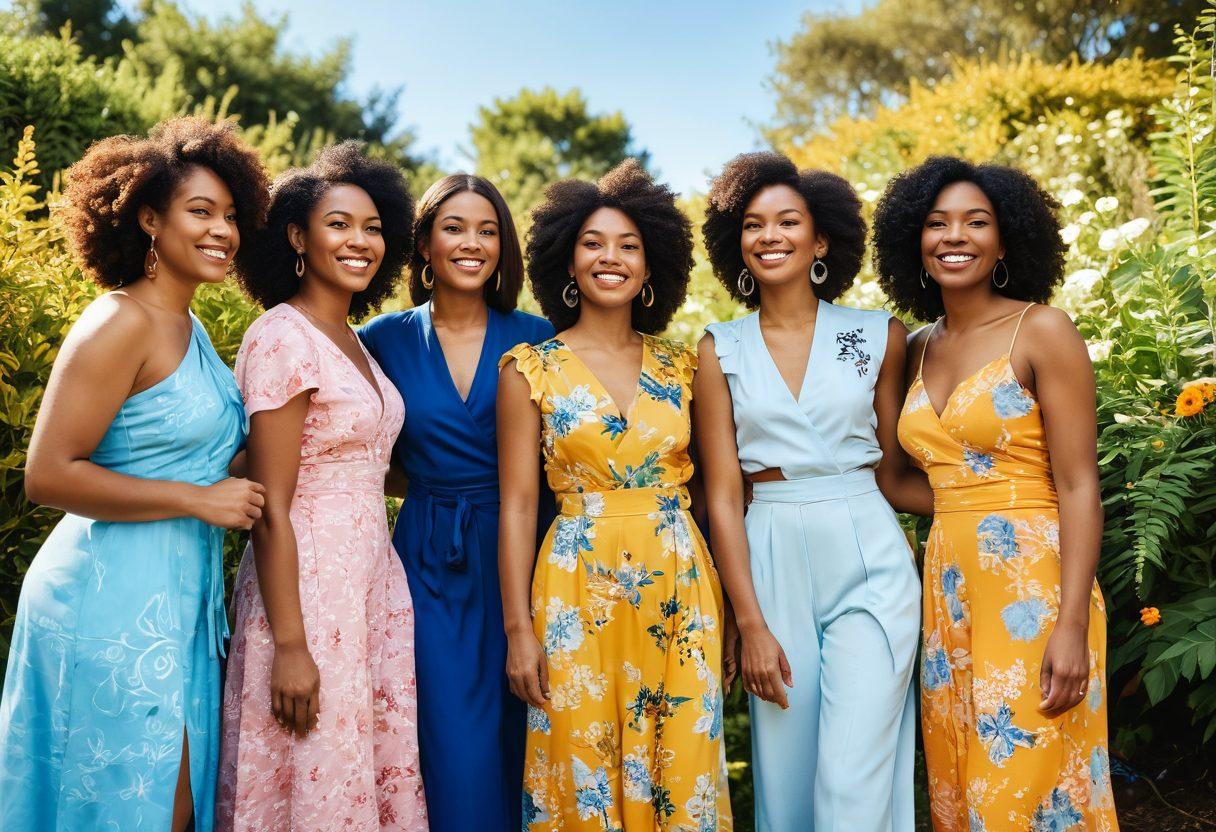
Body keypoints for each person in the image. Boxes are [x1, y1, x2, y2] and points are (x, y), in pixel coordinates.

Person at [0, 117, 269, 831]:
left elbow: (210, 456)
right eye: (201, 212)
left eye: (232, 216)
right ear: (149, 217)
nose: (223, 231)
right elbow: (49, 475)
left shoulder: (194, 328)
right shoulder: (117, 320)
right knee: (135, 804)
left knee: (168, 805)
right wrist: (197, 500)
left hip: (181, 596)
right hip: (104, 597)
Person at [874, 156, 1119, 831]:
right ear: (914, 244)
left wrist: (1071, 626)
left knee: (1029, 788)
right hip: (948, 589)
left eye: (976, 222)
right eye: (936, 223)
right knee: (960, 781)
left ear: (1006, 239)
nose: (955, 236)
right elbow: (894, 477)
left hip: (1035, 590)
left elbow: (1077, 484)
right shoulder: (916, 346)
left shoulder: (1041, 330)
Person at [499, 160, 732, 830]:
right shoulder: (529, 370)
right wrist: (519, 630)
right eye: (594, 243)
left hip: (678, 585)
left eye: (629, 245)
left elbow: (722, 493)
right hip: (573, 592)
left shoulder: (686, 366)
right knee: (580, 770)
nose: (612, 257)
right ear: (567, 263)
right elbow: (518, 506)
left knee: (682, 766)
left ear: (652, 262)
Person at [696, 151, 926, 830]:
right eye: (753, 224)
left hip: (868, 549)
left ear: (820, 238)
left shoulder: (877, 335)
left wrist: (995, 501)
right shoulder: (719, 348)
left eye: (787, 221)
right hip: (767, 553)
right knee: (789, 784)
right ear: (735, 243)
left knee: (851, 779)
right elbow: (722, 496)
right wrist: (748, 622)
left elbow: (893, 468)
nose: (770, 235)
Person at [218, 142, 427, 831]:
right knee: (309, 773)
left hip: (368, 580)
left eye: (372, 227)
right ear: (297, 237)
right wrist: (290, 645)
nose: (359, 240)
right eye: (339, 224)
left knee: (356, 769)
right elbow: (269, 505)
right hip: (305, 588)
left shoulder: (354, 339)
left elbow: (367, 463)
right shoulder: (283, 336)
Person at [359, 173, 552, 831]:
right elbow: (355, 451)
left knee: (529, 742)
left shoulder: (540, 337)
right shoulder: (380, 339)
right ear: (422, 243)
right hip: (428, 566)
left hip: (531, 555)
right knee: (452, 746)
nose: (473, 243)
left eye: (488, 230)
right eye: (455, 227)